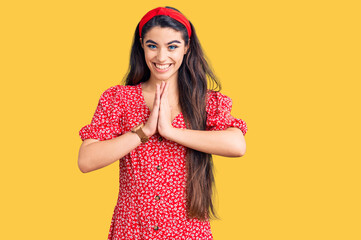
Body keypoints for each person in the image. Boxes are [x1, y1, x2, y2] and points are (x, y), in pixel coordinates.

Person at [78, 6, 247, 240]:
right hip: (133, 230)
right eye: (152, 46)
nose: (161, 57)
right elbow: (86, 160)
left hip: (187, 231)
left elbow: (237, 146)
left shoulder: (205, 102)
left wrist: (171, 131)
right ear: (142, 46)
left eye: (172, 46)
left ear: (187, 47)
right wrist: (143, 132)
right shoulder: (119, 98)